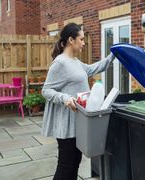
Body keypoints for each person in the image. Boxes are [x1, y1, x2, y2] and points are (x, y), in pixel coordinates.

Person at [41, 23, 114, 180]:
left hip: (77, 122)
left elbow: (93, 68)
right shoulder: (60, 63)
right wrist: (65, 98)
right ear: (71, 40)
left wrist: (113, 55)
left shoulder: (75, 61)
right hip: (65, 124)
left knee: (75, 162)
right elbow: (46, 90)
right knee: (66, 165)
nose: (83, 42)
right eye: (81, 39)